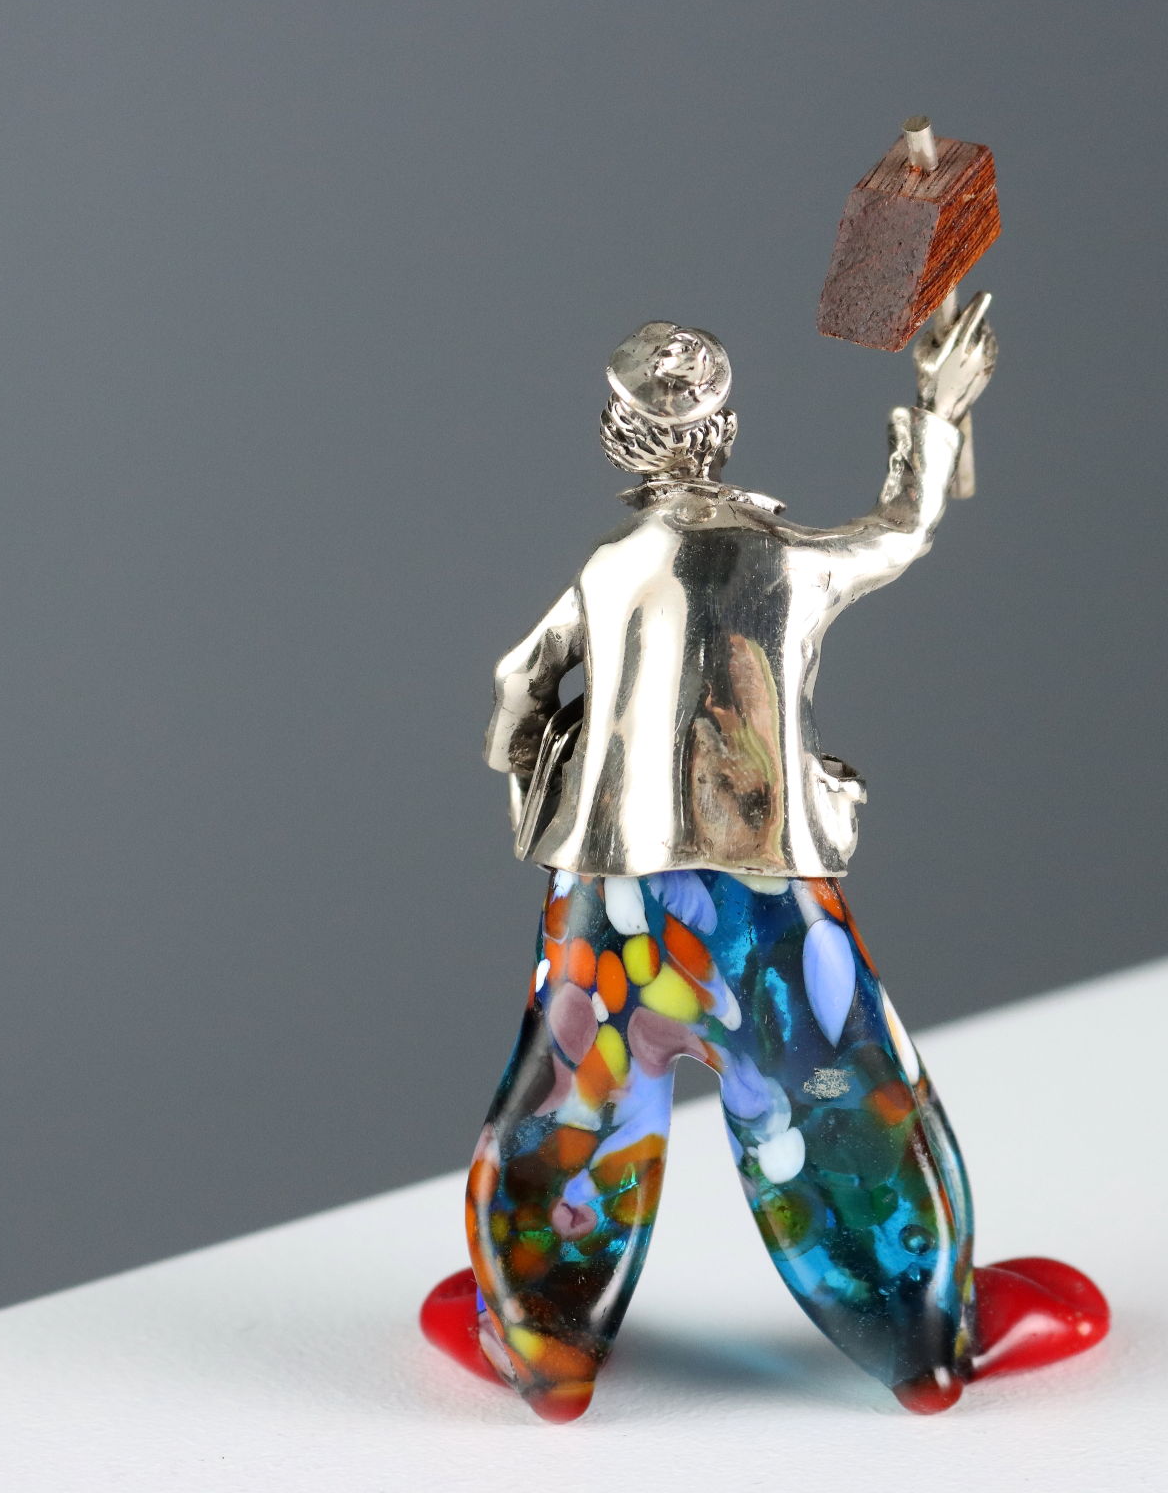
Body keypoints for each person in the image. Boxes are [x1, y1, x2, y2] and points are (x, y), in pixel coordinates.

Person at [421, 302, 1106, 1422]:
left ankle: (543, 1339)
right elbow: (900, 532)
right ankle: (921, 1339)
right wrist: (936, 411)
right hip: (767, 884)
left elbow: (517, 685)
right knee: (834, 1097)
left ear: (621, 440)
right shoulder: (785, 559)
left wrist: (532, 779)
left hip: (610, 891)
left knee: (572, 1097)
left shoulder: (612, 567)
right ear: (724, 433)